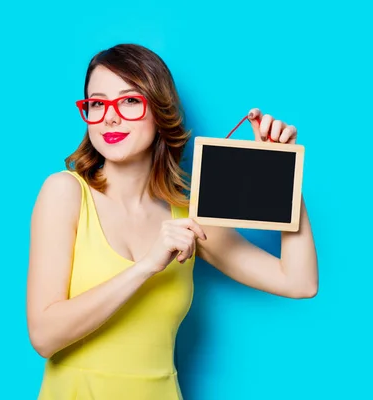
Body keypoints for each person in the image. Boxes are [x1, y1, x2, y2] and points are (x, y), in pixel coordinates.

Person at [26, 43, 319, 400]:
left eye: (130, 101)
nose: (111, 117)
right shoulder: (65, 192)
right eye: (97, 103)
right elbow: (43, 335)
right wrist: (146, 266)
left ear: (160, 110)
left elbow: (299, 282)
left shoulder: (190, 213)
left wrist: (282, 168)